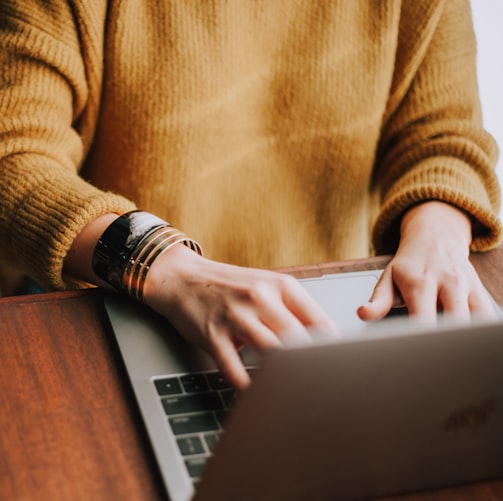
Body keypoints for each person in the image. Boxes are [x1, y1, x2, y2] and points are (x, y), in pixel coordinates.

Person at [0, 0, 501, 389]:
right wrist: (168, 268)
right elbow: (14, 155)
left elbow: (443, 136)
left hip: (343, 316)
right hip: (130, 309)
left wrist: (438, 232)